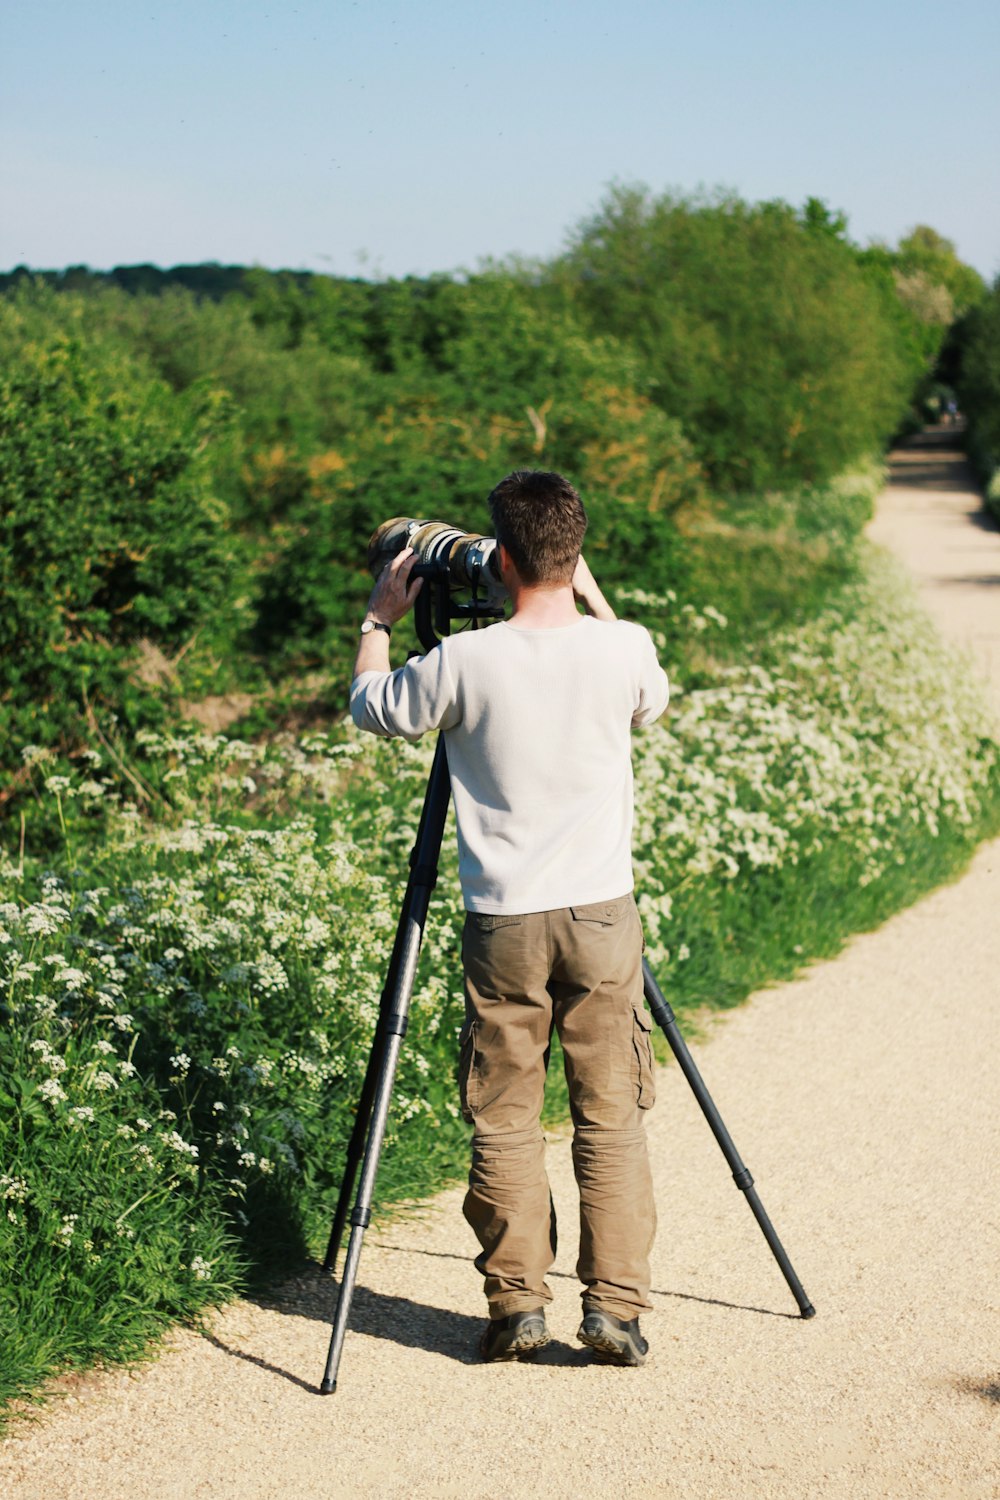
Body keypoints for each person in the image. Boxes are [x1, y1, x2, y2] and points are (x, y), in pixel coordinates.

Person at [350, 470, 670, 1367]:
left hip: (504, 922)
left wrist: (379, 621)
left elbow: (373, 709)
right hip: (603, 918)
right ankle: (615, 1310)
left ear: (503, 561)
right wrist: (585, 588)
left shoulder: (464, 661)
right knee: (610, 1116)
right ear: (572, 554)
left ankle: (517, 1306)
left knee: (504, 1118)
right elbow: (650, 689)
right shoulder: (625, 648)